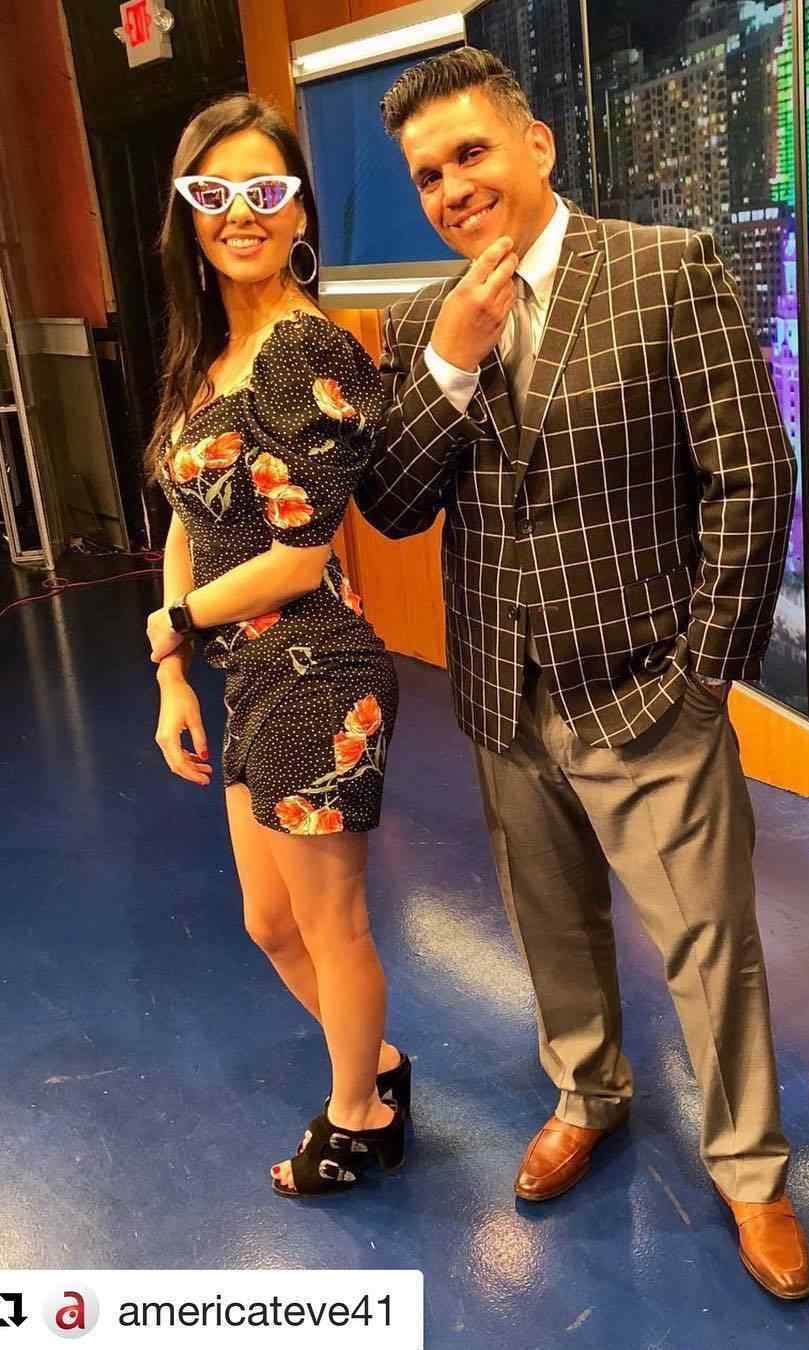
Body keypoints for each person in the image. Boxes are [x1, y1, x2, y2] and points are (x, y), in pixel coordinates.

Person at [355, 49, 809, 1299]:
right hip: (503, 699)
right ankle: (588, 1092)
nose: (454, 187)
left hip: (648, 691)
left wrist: (703, 676)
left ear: (536, 144)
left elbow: (752, 478)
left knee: (709, 945)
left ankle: (751, 1170)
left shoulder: (665, 269)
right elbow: (393, 506)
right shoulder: (422, 324)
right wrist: (451, 364)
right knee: (548, 925)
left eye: (471, 153)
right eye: (429, 174)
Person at [145, 95, 409, 1198]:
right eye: (215, 192)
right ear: (187, 213)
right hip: (245, 675)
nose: (240, 212)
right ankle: (377, 1065)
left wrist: (175, 623)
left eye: (265, 190)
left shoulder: (304, 348)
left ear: (298, 210)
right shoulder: (211, 358)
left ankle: (359, 1118)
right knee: (268, 922)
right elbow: (185, 519)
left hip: (318, 671)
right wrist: (172, 672)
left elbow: (301, 558)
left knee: (329, 921)